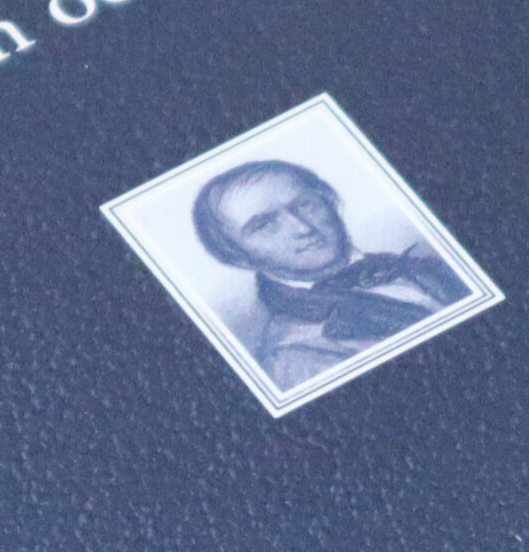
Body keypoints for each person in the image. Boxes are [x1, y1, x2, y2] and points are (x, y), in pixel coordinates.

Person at [191, 158, 467, 392]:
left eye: (305, 204)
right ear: (237, 256)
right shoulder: (295, 355)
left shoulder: (423, 265)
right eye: (264, 225)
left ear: (331, 200)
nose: (302, 228)